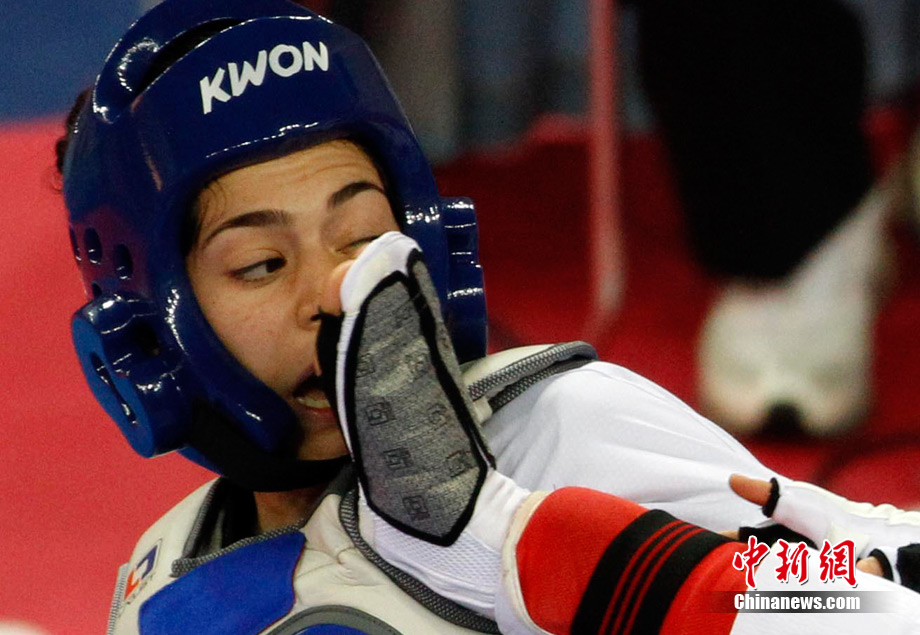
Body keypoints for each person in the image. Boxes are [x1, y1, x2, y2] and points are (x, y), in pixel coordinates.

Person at [56, 0, 920, 632]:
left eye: (364, 236)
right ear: (146, 334)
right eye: (261, 265)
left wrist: (512, 540)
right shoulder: (160, 579)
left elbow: (871, 595)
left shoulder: (559, 434)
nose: (334, 291)